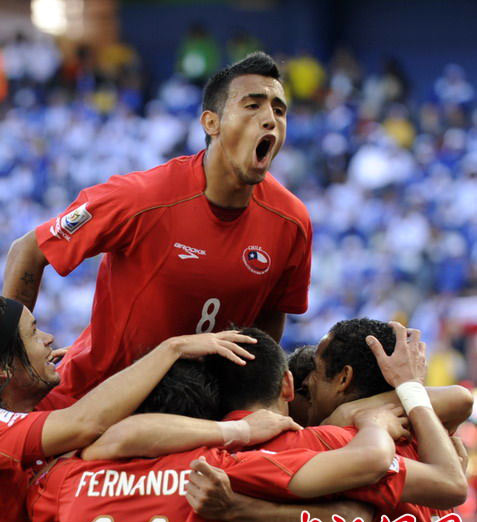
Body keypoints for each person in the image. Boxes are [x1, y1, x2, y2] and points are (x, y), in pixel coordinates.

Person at [3, 51, 312, 409]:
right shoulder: (141, 197)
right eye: (253, 106)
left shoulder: (292, 221)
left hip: (200, 415)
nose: (270, 119)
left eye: (279, 110)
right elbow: (29, 250)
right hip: (90, 400)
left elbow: (271, 318)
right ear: (211, 123)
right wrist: (10, 363)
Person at [27, 359, 399, 522]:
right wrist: (371, 420)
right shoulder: (213, 468)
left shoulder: (69, 475)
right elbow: (358, 501)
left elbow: (113, 438)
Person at [0, 294, 294, 522]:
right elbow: (89, 423)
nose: (49, 338)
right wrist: (173, 347)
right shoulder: (217, 466)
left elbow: (113, 429)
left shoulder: (60, 470)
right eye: (33, 333)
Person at [187, 320, 471, 522]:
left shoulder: (195, 455)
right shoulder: (426, 443)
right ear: (286, 384)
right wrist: (405, 391)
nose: (310, 385)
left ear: (343, 379)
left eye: (315, 376)